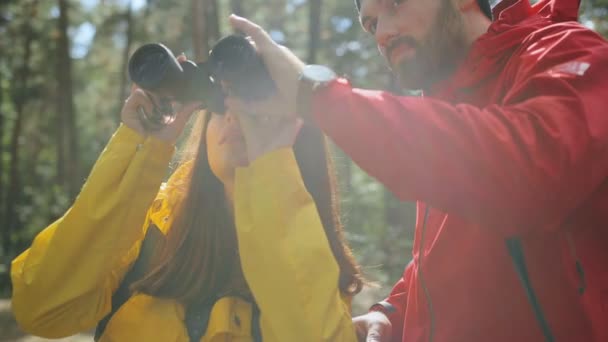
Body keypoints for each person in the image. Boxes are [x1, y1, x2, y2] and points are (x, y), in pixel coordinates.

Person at [226, 0, 608, 340]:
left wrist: (318, 96)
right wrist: (392, 314)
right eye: (371, 24)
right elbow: (450, 259)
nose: (384, 34)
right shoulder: (442, 110)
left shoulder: (565, 51)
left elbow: (527, 173)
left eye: (395, 5)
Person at [10, 53, 362, 341]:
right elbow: (41, 308)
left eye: (260, 113)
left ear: (301, 138)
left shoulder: (316, 265)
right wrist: (145, 147)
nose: (236, 120)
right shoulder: (150, 226)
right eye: (223, 108)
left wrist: (270, 169)